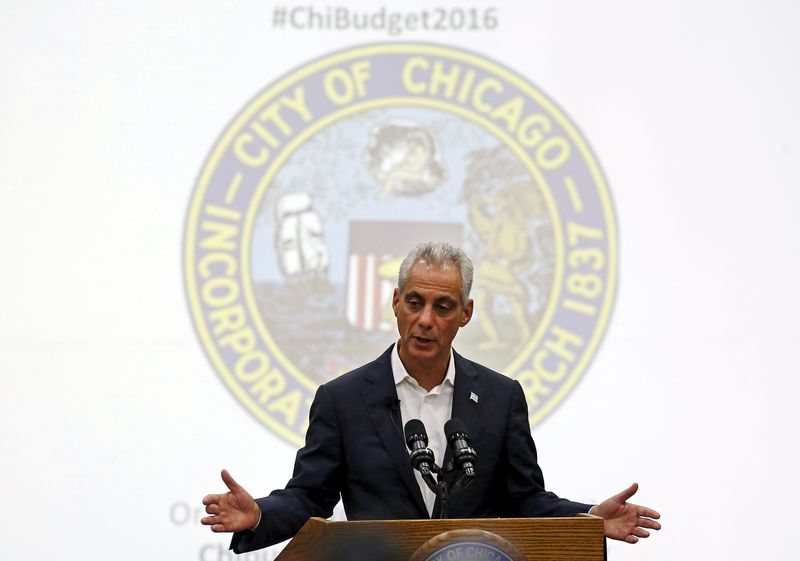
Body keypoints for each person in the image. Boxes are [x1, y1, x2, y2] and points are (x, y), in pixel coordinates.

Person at [201, 242, 661, 552]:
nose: (425, 319)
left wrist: (587, 521)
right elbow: (308, 497)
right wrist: (261, 514)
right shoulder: (342, 400)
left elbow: (525, 500)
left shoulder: (501, 398)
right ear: (396, 302)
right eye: (415, 302)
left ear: (466, 313)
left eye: (443, 307)